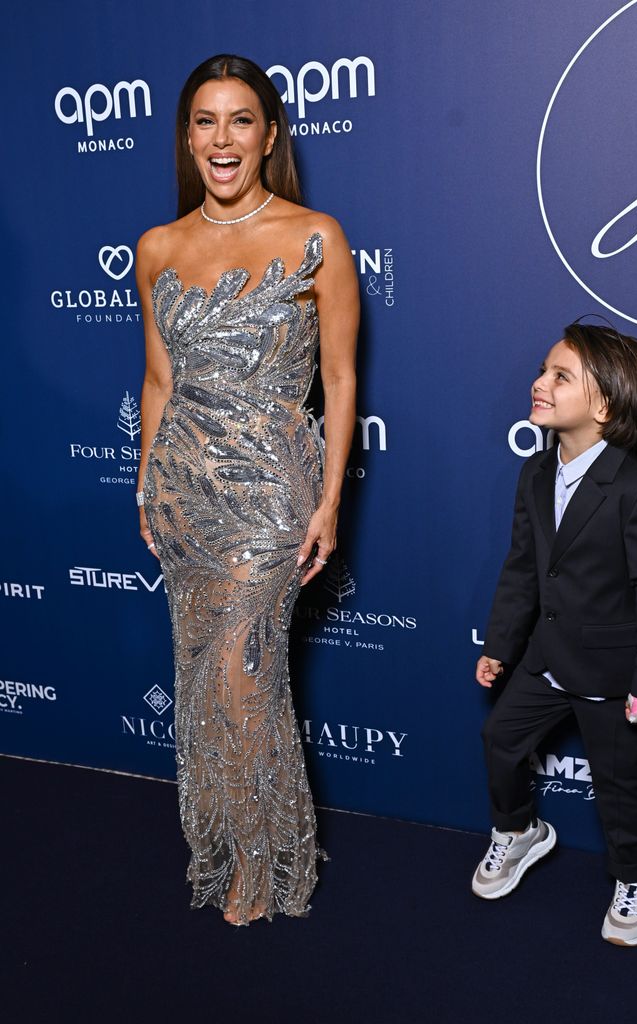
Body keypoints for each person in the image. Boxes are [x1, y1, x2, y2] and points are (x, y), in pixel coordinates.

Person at [135, 54, 359, 925]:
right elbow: (158, 379)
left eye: (239, 120)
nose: (220, 140)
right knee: (202, 686)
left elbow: (339, 381)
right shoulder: (159, 246)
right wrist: (147, 482)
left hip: (271, 489)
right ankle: (227, 842)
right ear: (188, 137)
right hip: (185, 489)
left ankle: (261, 865)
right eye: (204, 121)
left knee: (241, 680)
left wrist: (329, 499)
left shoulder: (316, 236)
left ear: (269, 135)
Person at [473, 321, 637, 946]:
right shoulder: (535, 475)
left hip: (615, 676)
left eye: (560, 376)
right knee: (500, 737)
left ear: (605, 406)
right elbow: (522, 568)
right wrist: (501, 644)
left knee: (624, 788)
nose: (538, 383)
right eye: (543, 370)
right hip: (547, 659)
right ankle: (519, 833)